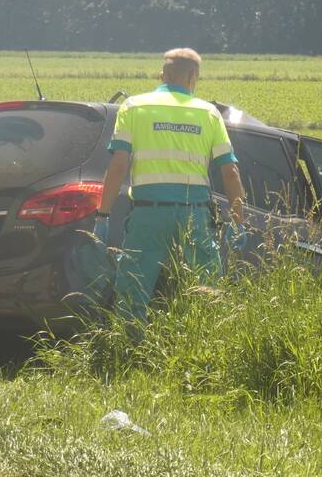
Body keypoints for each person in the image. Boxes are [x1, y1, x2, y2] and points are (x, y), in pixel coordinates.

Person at [95, 48, 246, 322]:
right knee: (208, 290)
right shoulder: (209, 114)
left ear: (162, 74)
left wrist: (103, 215)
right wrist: (238, 221)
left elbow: (118, 166)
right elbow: (231, 173)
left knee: (134, 291)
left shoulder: (135, 107)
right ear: (194, 76)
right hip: (195, 215)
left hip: (147, 213)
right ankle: (207, 348)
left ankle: (131, 351)